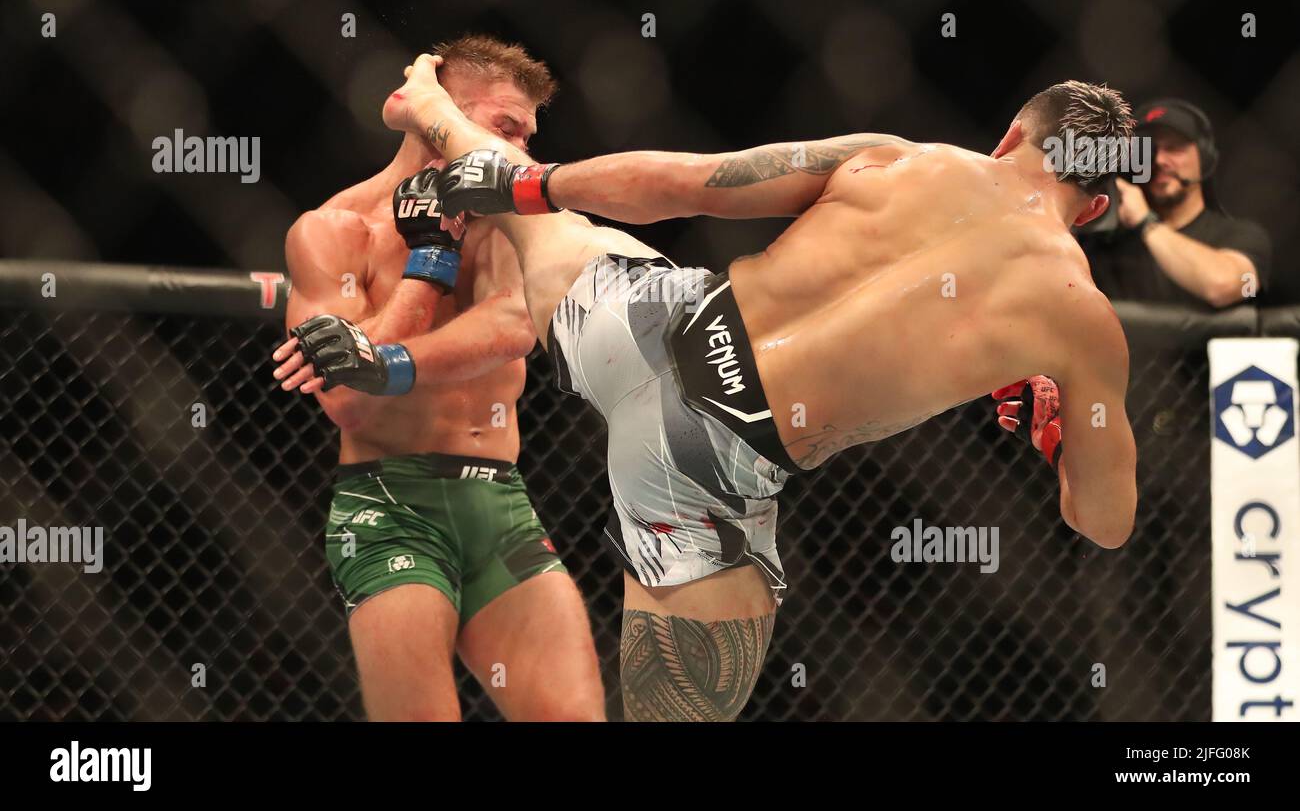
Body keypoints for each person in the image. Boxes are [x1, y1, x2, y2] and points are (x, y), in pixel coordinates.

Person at [313, 59, 1140, 721]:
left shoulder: (897, 158)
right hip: (708, 468)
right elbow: (1104, 523)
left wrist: (528, 184)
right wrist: (1056, 432)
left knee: (557, 226)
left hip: (651, 325)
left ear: (1009, 138)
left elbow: (686, 181)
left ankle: (433, 106)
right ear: (1096, 204)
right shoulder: (1079, 318)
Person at [269, 36, 604, 721]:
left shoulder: (512, 221)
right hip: (389, 508)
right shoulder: (334, 233)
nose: (521, 153)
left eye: (528, 136)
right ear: (440, 115)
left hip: (500, 508)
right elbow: (346, 405)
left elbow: (513, 325)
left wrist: (379, 360)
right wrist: (428, 268)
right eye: (505, 128)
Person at [1079, 97, 1271, 309]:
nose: (1159, 160)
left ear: (1204, 158)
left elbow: (1223, 285)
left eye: (1174, 148)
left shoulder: (1241, 236)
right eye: (1149, 150)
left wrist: (1146, 222)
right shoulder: (1105, 243)